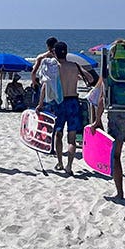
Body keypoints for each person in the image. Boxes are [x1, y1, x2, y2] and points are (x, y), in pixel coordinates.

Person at [50, 41, 94, 173]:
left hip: (60, 102)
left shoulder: (55, 67)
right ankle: (69, 165)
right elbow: (91, 78)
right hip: (73, 102)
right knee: (72, 137)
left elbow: (47, 84)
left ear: (55, 53)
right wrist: (78, 75)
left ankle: (59, 162)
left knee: (58, 133)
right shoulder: (75, 66)